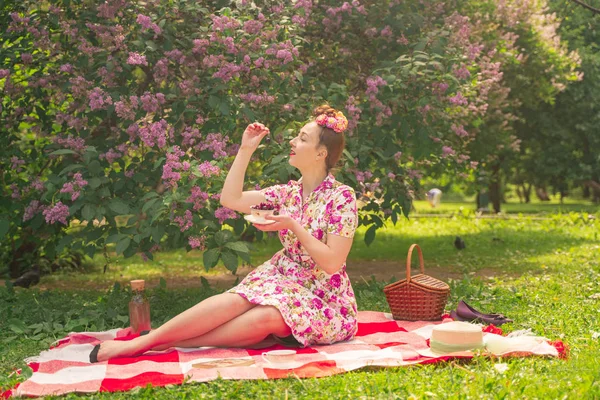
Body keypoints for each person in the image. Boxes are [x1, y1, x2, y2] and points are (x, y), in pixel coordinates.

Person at [90, 105, 359, 362]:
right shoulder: (287, 193)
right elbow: (230, 199)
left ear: (321, 154)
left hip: (325, 298)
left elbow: (332, 262)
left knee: (267, 316)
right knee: (234, 301)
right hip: (284, 275)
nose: (292, 141)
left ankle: (155, 343)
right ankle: (145, 343)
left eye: (301, 138)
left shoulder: (341, 197)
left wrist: (293, 225)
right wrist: (245, 150)